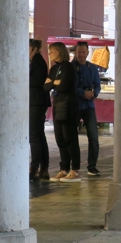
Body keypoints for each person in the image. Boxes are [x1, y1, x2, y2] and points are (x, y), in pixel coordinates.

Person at [45, 42, 80, 180]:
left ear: (59, 51)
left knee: (70, 138)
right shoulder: (54, 68)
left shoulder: (68, 67)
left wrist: (54, 83)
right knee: (60, 138)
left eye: (52, 51)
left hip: (69, 106)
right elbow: (46, 86)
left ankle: (75, 169)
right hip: (58, 104)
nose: (50, 54)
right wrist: (55, 82)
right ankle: (64, 168)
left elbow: (64, 85)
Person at [73, 41, 101, 177]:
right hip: (75, 105)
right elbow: (70, 86)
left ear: (87, 53)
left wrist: (93, 93)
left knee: (93, 136)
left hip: (89, 106)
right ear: (75, 52)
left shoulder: (93, 68)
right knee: (72, 137)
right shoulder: (71, 67)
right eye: (79, 52)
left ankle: (92, 166)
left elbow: (97, 85)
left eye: (83, 52)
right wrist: (81, 93)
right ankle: (74, 166)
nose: (81, 55)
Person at [29, 39, 50, 181]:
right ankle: (43, 168)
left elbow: (37, 82)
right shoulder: (36, 62)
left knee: (34, 136)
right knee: (39, 135)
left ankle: (35, 168)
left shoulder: (37, 62)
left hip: (36, 102)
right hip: (36, 101)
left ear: (34, 49)